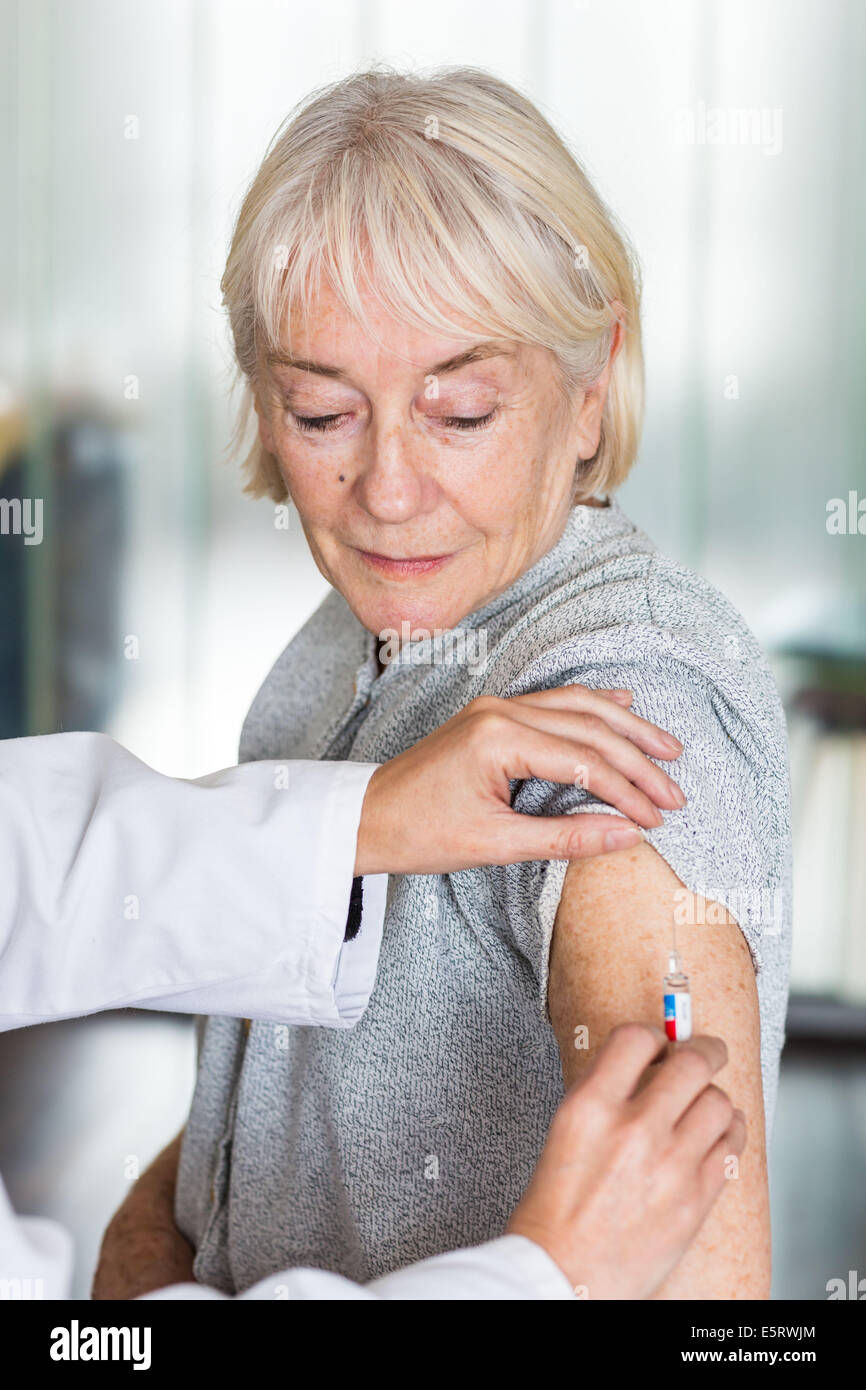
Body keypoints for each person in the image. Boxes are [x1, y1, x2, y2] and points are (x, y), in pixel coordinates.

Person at [97, 65, 792, 1301]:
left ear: (588, 394)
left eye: (459, 411)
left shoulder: (627, 692)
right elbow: (263, 1102)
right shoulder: (337, 647)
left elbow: (702, 1282)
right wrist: (146, 1246)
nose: (388, 491)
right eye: (321, 414)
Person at [0, 693, 745, 1300]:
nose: (387, 499)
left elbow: (33, 864)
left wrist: (360, 820)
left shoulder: (648, 671)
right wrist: (547, 1275)